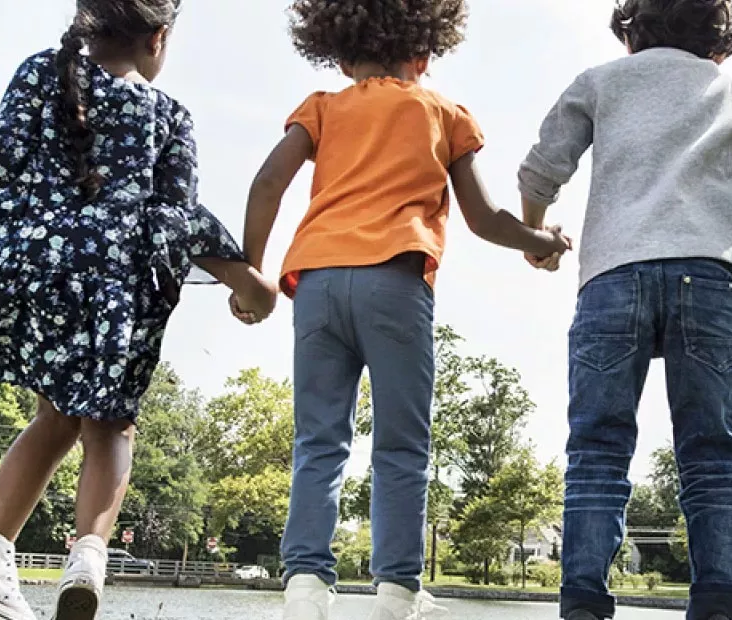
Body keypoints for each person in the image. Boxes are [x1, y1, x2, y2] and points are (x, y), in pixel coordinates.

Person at [0, 1, 280, 619]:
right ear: (159, 38)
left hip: (28, 268)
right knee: (111, 425)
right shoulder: (166, 114)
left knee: (55, 416)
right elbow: (176, 220)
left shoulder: (40, 72)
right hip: (112, 286)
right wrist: (245, 280)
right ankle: (88, 558)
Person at [240, 1, 572, 618]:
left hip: (314, 283)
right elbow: (484, 217)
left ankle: (306, 585)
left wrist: (252, 275)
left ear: (339, 54)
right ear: (424, 52)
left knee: (319, 439)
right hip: (394, 280)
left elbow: (267, 183)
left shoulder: (323, 107)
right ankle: (396, 589)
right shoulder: (443, 112)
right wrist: (544, 242)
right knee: (400, 443)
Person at [518, 1, 732, 619]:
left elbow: (542, 170)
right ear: (719, 42)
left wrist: (536, 236)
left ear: (632, 31)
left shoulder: (601, 80)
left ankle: (584, 603)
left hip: (610, 277)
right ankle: (719, 604)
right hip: (706, 281)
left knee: (597, 445)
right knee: (712, 450)